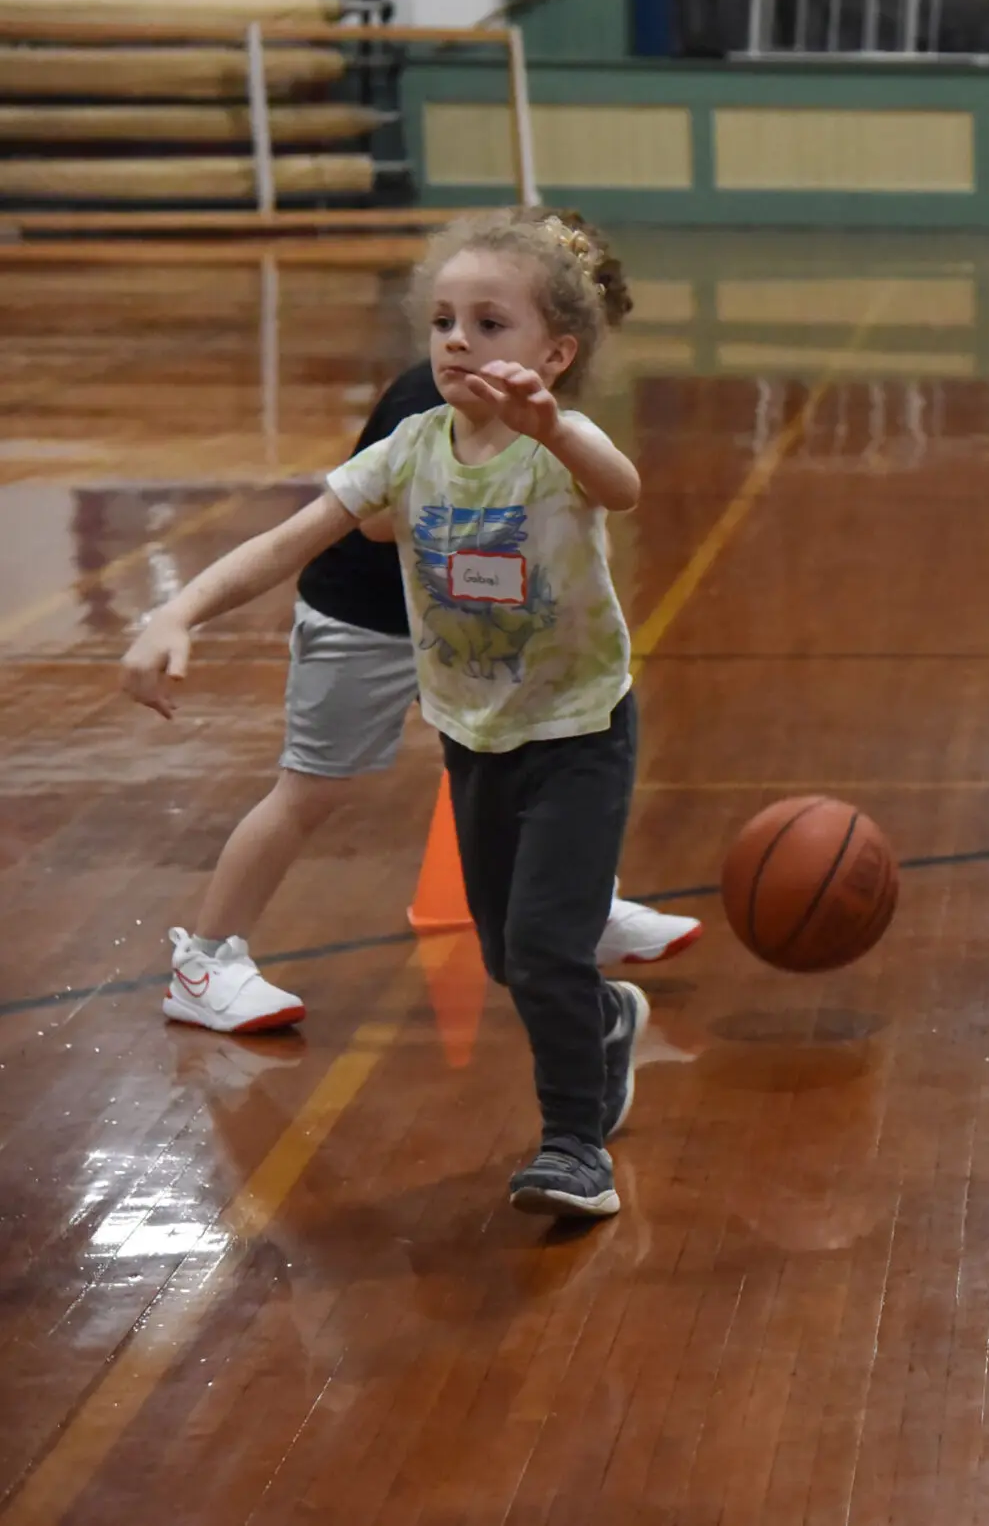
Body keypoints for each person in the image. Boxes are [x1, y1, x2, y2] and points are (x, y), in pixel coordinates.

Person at [123, 208, 654, 1220]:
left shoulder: (561, 445)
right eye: (444, 319)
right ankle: (601, 1023)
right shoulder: (411, 449)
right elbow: (292, 542)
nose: (458, 339)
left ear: (556, 350)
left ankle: (574, 1147)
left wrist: (553, 425)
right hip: (473, 735)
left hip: (580, 733)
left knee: (541, 947)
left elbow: (620, 487)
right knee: (507, 956)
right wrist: (178, 610)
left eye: (489, 322)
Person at [156, 359, 700, 1037]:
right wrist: (181, 611)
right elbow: (373, 522)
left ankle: (576, 906)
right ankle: (203, 964)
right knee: (312, 789)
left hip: (468, 615)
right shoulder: (438, 400)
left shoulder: (546, 412)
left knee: (537, 750)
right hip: (368, 614)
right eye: (452, 320)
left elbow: (603, 497)